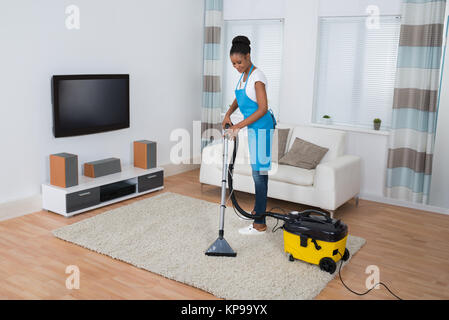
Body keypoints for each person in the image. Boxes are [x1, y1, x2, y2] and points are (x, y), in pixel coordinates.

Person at [222, 35, 277, 235]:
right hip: (254, 129)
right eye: (233, 63)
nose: (236, 66)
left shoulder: (257, 77)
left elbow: (263, 108)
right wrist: (228, 113)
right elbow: (238, 97)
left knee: (259, 174)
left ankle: (259, 223)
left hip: (262, 128)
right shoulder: (243, 76)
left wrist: (238, 126)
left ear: (248, 56)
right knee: (259, 173)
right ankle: (258, 214)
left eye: (239, 62)